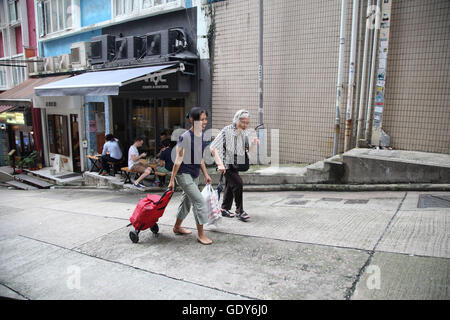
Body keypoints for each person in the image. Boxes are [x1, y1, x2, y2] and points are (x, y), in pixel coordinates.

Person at [167, 107, 213, 245]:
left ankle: (176, 227)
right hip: (183, 174)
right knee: (199, 201)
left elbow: (200, 158)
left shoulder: (201, 136)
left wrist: (206, 174)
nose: (205, 122)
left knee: (186, 202)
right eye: (201, 119)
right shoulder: (185, 137)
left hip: (194, 174)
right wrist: (172, 180)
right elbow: (178, 159)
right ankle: (201, 235)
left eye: (205, 119)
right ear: (192, 120)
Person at [210, 109, 260, 221]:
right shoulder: (227, 130)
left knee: (230, 185)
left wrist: (253, 144)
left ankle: (224, 209)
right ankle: (239, 210)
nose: (245, 125)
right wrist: (220, 164)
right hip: (226, 163)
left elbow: (247, 151)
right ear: (236, 120)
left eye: (247, 123)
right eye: (243, 122)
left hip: (236, 164)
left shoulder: (244, 133)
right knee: (238, 183)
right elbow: (213, 147)